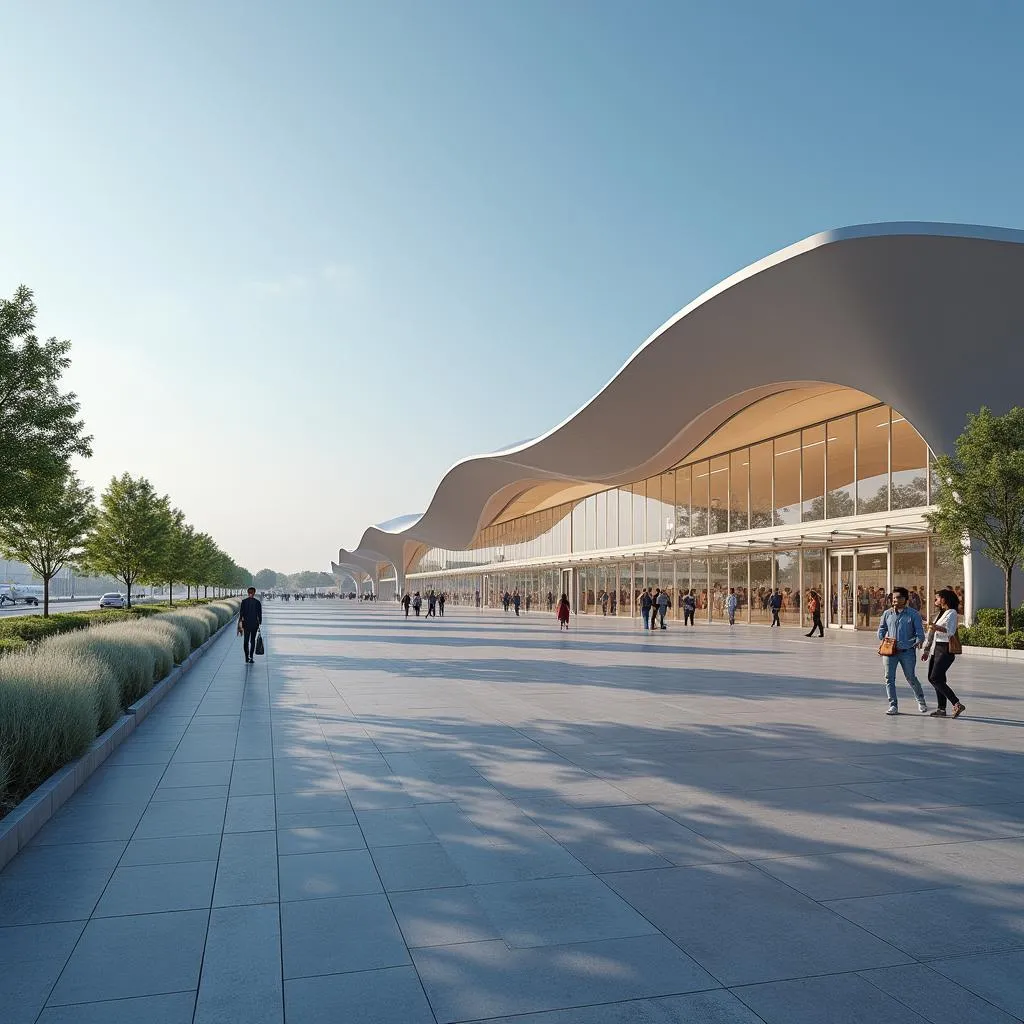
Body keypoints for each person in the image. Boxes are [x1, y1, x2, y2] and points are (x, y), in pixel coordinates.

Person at [877, 586, 929, 716]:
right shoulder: (887, 613)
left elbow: (920, 633)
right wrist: (883, 637)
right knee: (889, 678)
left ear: (905, 599)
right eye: (893, 597)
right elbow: (881, 629)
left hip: (907, 652)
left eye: (898, 597)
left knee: (910, 677)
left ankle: (920, 700)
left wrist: (918, 641)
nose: (895, 600)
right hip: (890, 652)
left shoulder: (913, 614)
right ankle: (893, 705)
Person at [923, 589, 966, 717]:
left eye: (937, 598)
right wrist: (926, 649)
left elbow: (950, 631)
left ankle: (956, 704)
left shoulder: (952, 613)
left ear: (944, 599)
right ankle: (941, 709)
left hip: (945, 649)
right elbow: (932, 633)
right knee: (938, 678)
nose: (935, 600)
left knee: (934, 678)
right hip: (936, 649)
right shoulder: (941, 613)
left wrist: (935, 627)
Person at [237, 586, 262, 664]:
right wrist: (259, 622)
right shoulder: (257, 602)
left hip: (246, 624)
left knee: (246, 641)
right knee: (252, 641)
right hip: (254, 624)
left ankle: (246, 657)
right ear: (254, 593)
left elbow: (241, 614)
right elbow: (259, 614)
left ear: (248, 593)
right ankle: (251, 657)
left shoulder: (244, 602)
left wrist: (240, 624)